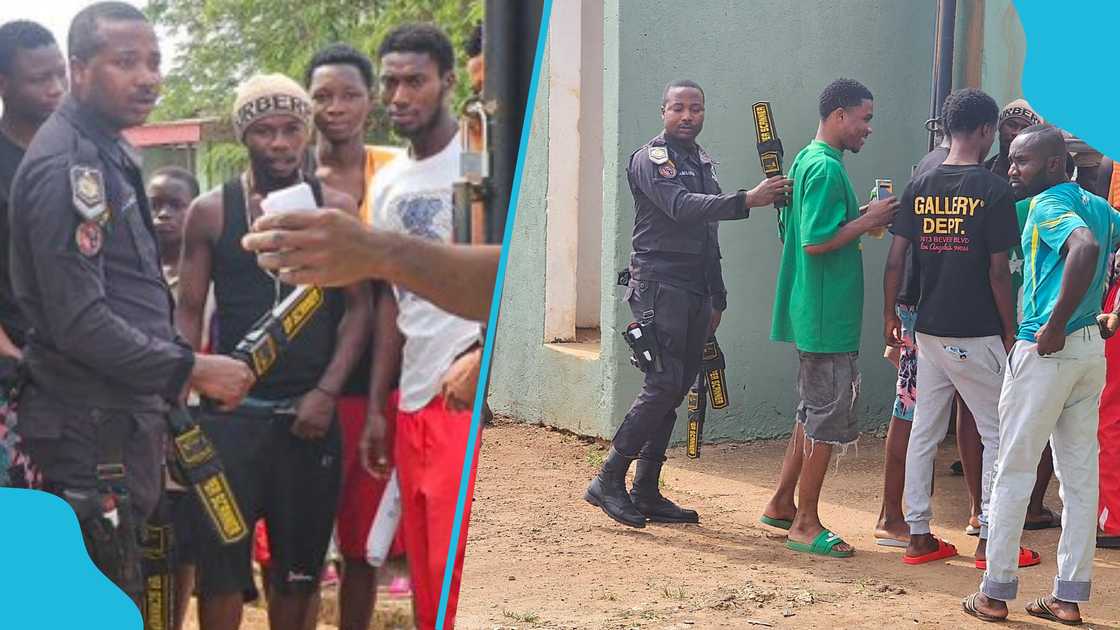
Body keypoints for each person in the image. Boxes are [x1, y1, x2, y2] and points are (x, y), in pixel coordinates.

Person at [7, 1, 253, 604]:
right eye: (125, 62)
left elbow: (128, 291)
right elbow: (79, 322)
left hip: (120, 422)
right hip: (89, 433)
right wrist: (192, 367)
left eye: (153, 61)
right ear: (79, 68)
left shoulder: (106, 150)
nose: (147, 76)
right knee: (93, 601)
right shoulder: (70, 164)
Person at [175, 73, 370, 630]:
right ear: (244, 137)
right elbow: (188, 309)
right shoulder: (212, 212)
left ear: (307, 131)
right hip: (230, 422)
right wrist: (187, 393)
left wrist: (328, 391)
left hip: (307, 420)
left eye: (291, 129)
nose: (281, 143)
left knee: (297, 574)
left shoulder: (334, 207)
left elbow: (358, 308)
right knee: (220, 573)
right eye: (265, 131)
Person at [583, 78, 789, 529]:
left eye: (695, 108)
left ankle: (646, 490)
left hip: (695, 290)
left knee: (675, 390)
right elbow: (680, 207)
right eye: (678, 108)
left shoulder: (700, 160)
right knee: (661, 384)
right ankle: (608, 479)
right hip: (660, 286)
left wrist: (718, 295)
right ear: (663, 111)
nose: (687, 116)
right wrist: (746, 200)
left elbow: (706, 233)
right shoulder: (650, 159)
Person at [353, 24, 488, 629]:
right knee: (427, 579)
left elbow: (516, 268)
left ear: (447, 82)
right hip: (412, 399)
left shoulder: (482, 162)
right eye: (391, 83)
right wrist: (381, 406)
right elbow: (388, 302)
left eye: (415, 80)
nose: (400, 95)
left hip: (465, 391)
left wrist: (486, 352)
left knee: (464, 572)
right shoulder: (384, 184)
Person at [963, 124, 1120, 624]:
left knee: (1012, 468)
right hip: (1089, 351)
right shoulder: (1099, 206)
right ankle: (1067, 598)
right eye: (1011, 160)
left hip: (1045, 350)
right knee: (1079, 480)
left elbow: (1084, 250)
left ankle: (993, 593)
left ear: (1054, 165)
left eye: (1022, 161)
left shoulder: (1052, 205)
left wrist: (1052, 325)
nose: (1012, 170)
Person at [883, 88, 1028, 569]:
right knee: (996, 431)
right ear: (987, 131)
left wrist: (892, 316)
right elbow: (998, 271)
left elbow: (897, 258)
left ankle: (919, 535)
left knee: (924, 429)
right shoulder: (993, 189)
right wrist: (1010, 332)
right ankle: (990, 539)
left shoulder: (920, 183)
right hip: (977, 329)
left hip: (927, 327)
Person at [763, 78, 896, 558]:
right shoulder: (822, 167)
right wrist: (868, 219)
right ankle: (805, 522)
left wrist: (862, 215)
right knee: (823, 419)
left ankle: (781, 503)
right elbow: (815, 241)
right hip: (824, 316)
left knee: (810, 412)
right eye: (865, 118)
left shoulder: (812, 161)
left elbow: (818, 226)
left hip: (817, 312)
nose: (869, 128)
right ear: (839, 116)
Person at [305, 42, 404, 630]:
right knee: (297, 540)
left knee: (364, 539)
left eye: (348, 94)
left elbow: (395, 290)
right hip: (305, 378)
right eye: (322, 96)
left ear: (370, 101)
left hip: (380, 376)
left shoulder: (394, 173)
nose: (335, 107)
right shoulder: (290, 179)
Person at [874, 127, 950, 547]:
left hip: (916, 306)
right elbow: (901, 253)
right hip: (923, 308)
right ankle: (892, 515)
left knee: (915, 412)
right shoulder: (943, 172)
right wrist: (898, 315)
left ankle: (897, 513)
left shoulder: (929, 169)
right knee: (911, 413)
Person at [0, 19, 65, 361]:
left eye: (60, 74)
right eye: (40, 79)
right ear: (3, 85)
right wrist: (13, 359)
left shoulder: (81, 155)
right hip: (19, 364)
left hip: (86, 362)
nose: (56, 88)